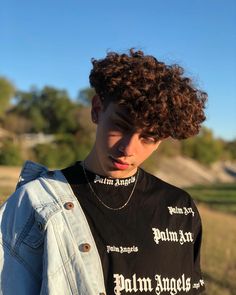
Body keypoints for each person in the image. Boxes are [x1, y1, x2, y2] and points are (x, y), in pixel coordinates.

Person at [0, 49, 207, 295]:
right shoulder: (34, 202)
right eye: (120, 126)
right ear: (97, 109)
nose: (128, 149)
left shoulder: (180, 207)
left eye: (149, 137)